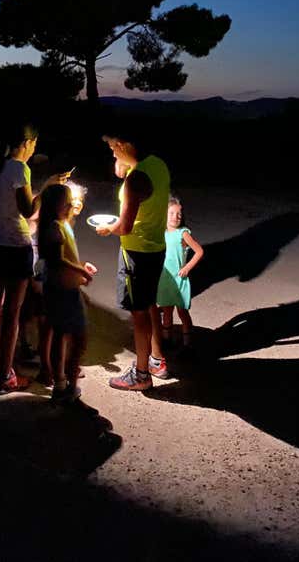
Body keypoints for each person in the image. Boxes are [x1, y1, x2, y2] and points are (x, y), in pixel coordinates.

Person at [0, 123, 69, 394]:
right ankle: (5, 377)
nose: (34, 150)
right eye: (34, 145)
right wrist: (48, 187)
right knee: (12, 313)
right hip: (15, 247)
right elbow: (28, 209)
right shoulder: (19, 169)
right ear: (28, 143)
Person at [96, 127, 171, 391]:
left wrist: (108, 228)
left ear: (126, 144)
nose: (112, 153)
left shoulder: (136, 179)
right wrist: (123, 159)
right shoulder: (157, 165)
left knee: (139, 314)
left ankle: (141, 375)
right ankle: (157, 360)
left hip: (135, 253)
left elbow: (125, 226)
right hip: (155, 247)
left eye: (114, 147)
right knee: (149, 304)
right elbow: (121, 171)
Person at [38, 183, 97, 402]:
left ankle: (63, 385)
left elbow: (66, 256)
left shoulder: (62, 224)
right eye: (67, 202)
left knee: (64, 335)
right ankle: (66, 386)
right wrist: (81, 270)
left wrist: (81, 266)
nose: (71, 205)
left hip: (66, 287)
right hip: (62, 290)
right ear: (55, 206)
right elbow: (57, 260)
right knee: (76, 338)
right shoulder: (53, 228)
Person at [155, 195, 204, 348]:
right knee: (167, 311)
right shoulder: (160, 233)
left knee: (182, 312)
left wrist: (187, 267)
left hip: (180, 279)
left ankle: (187, 343)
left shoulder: (183, 233)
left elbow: (199, 251)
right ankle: (167, 340)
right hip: (165, 279)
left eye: (179, 214)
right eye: (171, 213)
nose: (175, 217)